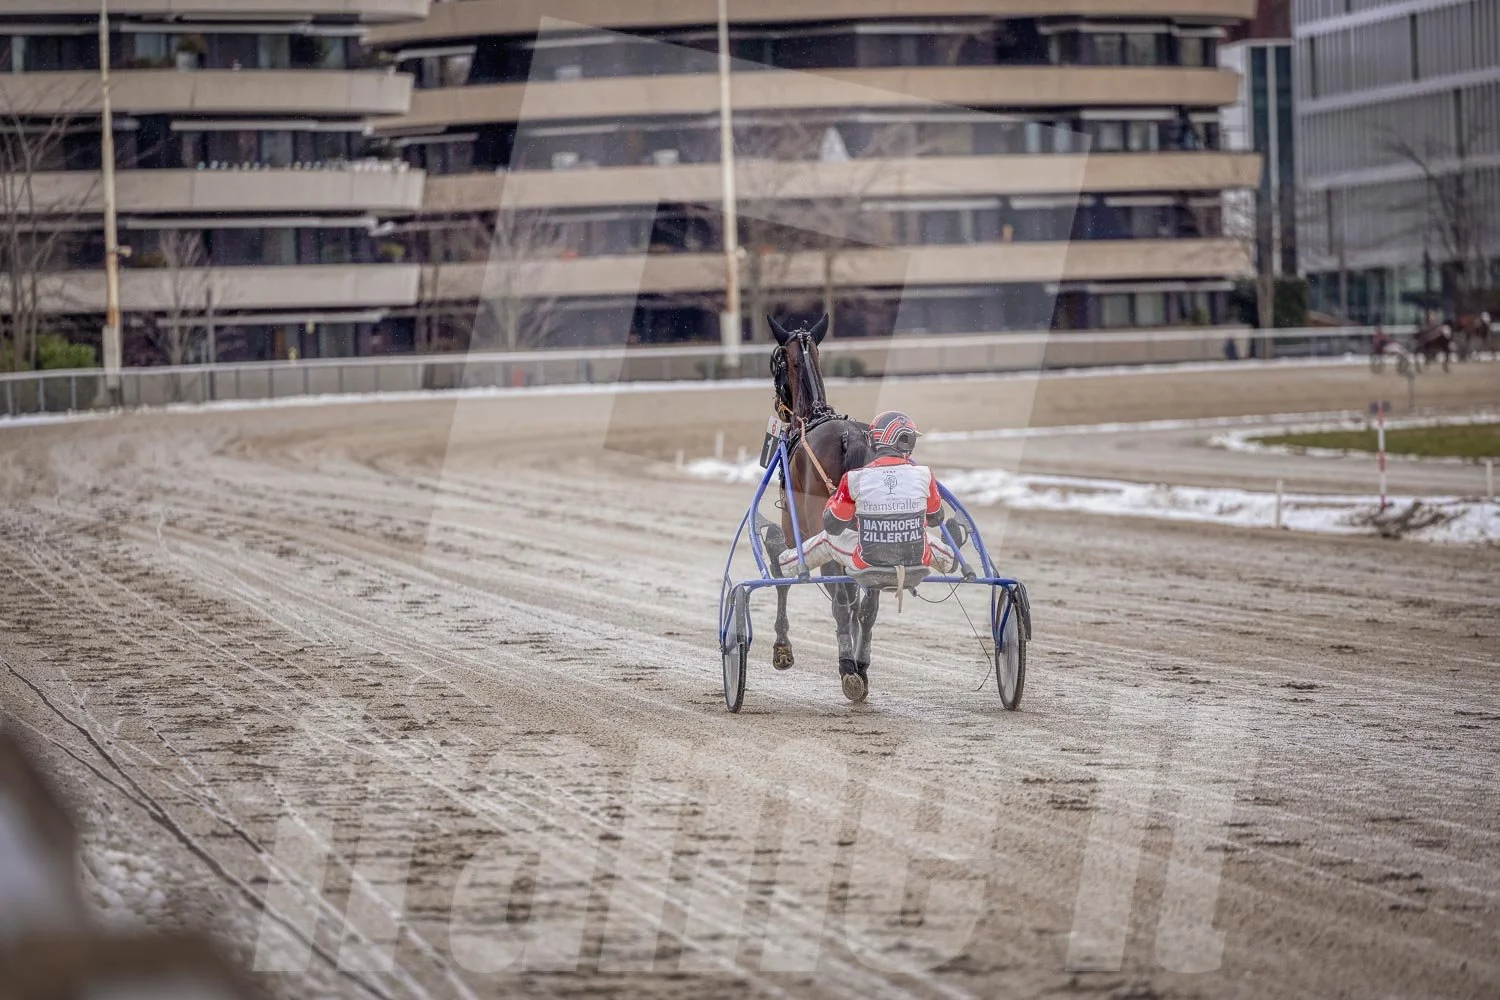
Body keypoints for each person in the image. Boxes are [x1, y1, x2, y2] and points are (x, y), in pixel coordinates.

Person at [779, 410, 958, 578]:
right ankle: (951, 560)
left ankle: (785, 565)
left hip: (866, 561)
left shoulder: (853, 479)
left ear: (873, 440)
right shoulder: (925, 475)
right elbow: (936, 519)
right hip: (916, 557)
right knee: (927, 540)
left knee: (826, 539)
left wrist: (836, 499)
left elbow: (833, 526)